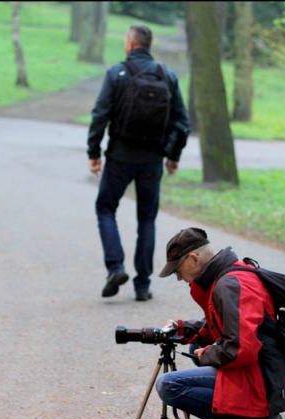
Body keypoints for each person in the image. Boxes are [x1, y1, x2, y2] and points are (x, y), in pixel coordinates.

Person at [155, 227, 285, 419]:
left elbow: (242, 348)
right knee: (196, 346)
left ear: (193, 259)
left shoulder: (229, 285)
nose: (179, 277)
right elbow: (224, 323)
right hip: (268, 369)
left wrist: (207, 354)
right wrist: (182, 329)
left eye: (177, 271)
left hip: (265, 378)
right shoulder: (231, 274)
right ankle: (250, 414)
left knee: (169, 385)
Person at [86, 24, 190, 301]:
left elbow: (100, 115)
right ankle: (142, 285)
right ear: (148, 45)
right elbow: (182, 122)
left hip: (120, 156)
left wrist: (93, 152)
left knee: (106, 208)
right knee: (147, 219)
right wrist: (173, 156)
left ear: (130, 44)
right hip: (152, 160)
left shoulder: (116, 73)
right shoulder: (167, 75)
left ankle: (115, 267)